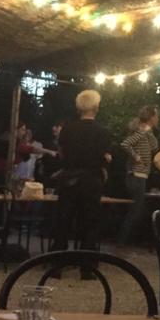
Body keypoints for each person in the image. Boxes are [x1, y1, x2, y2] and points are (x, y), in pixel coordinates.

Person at [54, 90, 111, 256]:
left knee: (64, 220)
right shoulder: (102, 131)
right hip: (91, 179)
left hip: (69, 178)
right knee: (90, 222)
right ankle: (86, 261)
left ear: (78, 108)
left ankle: (57, 258)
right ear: (96, 107)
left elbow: (61, 152)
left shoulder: (68, 129)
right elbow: (106, 157)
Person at [117, 105, 159, 242]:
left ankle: (125, 239)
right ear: (151, 117)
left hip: (141, 175)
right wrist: (136, 156)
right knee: (136, 210)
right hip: (136, 175)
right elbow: (125, 144)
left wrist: (149, 132)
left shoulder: (146, 132)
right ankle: (122, 240)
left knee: (137, 209)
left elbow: (154, 146)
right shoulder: (139, 133)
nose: (157, 119)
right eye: (156, 116)